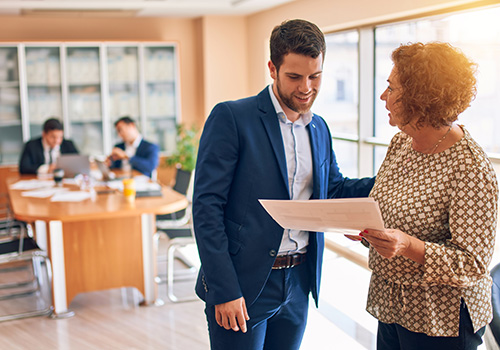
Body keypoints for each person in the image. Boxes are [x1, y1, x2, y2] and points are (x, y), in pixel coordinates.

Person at [193, 19, 374, 350]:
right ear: (272, 69)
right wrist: (225, 289)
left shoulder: (319, 128)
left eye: (314, 76)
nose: (306, 87)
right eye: (294, 77)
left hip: (298, 281)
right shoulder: (232, 118)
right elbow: (207, 208)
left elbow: (332, 189)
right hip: (244, 282)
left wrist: (392, 180)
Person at [356, 42, 498, 350]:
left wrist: (407, 245)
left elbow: (471, 264)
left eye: (391, 89)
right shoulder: (401, 144)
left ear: (419, 99)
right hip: (393, 305)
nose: (384, 97)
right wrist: (370, 232)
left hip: (441, 320)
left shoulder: (470, 167)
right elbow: (391, 207)